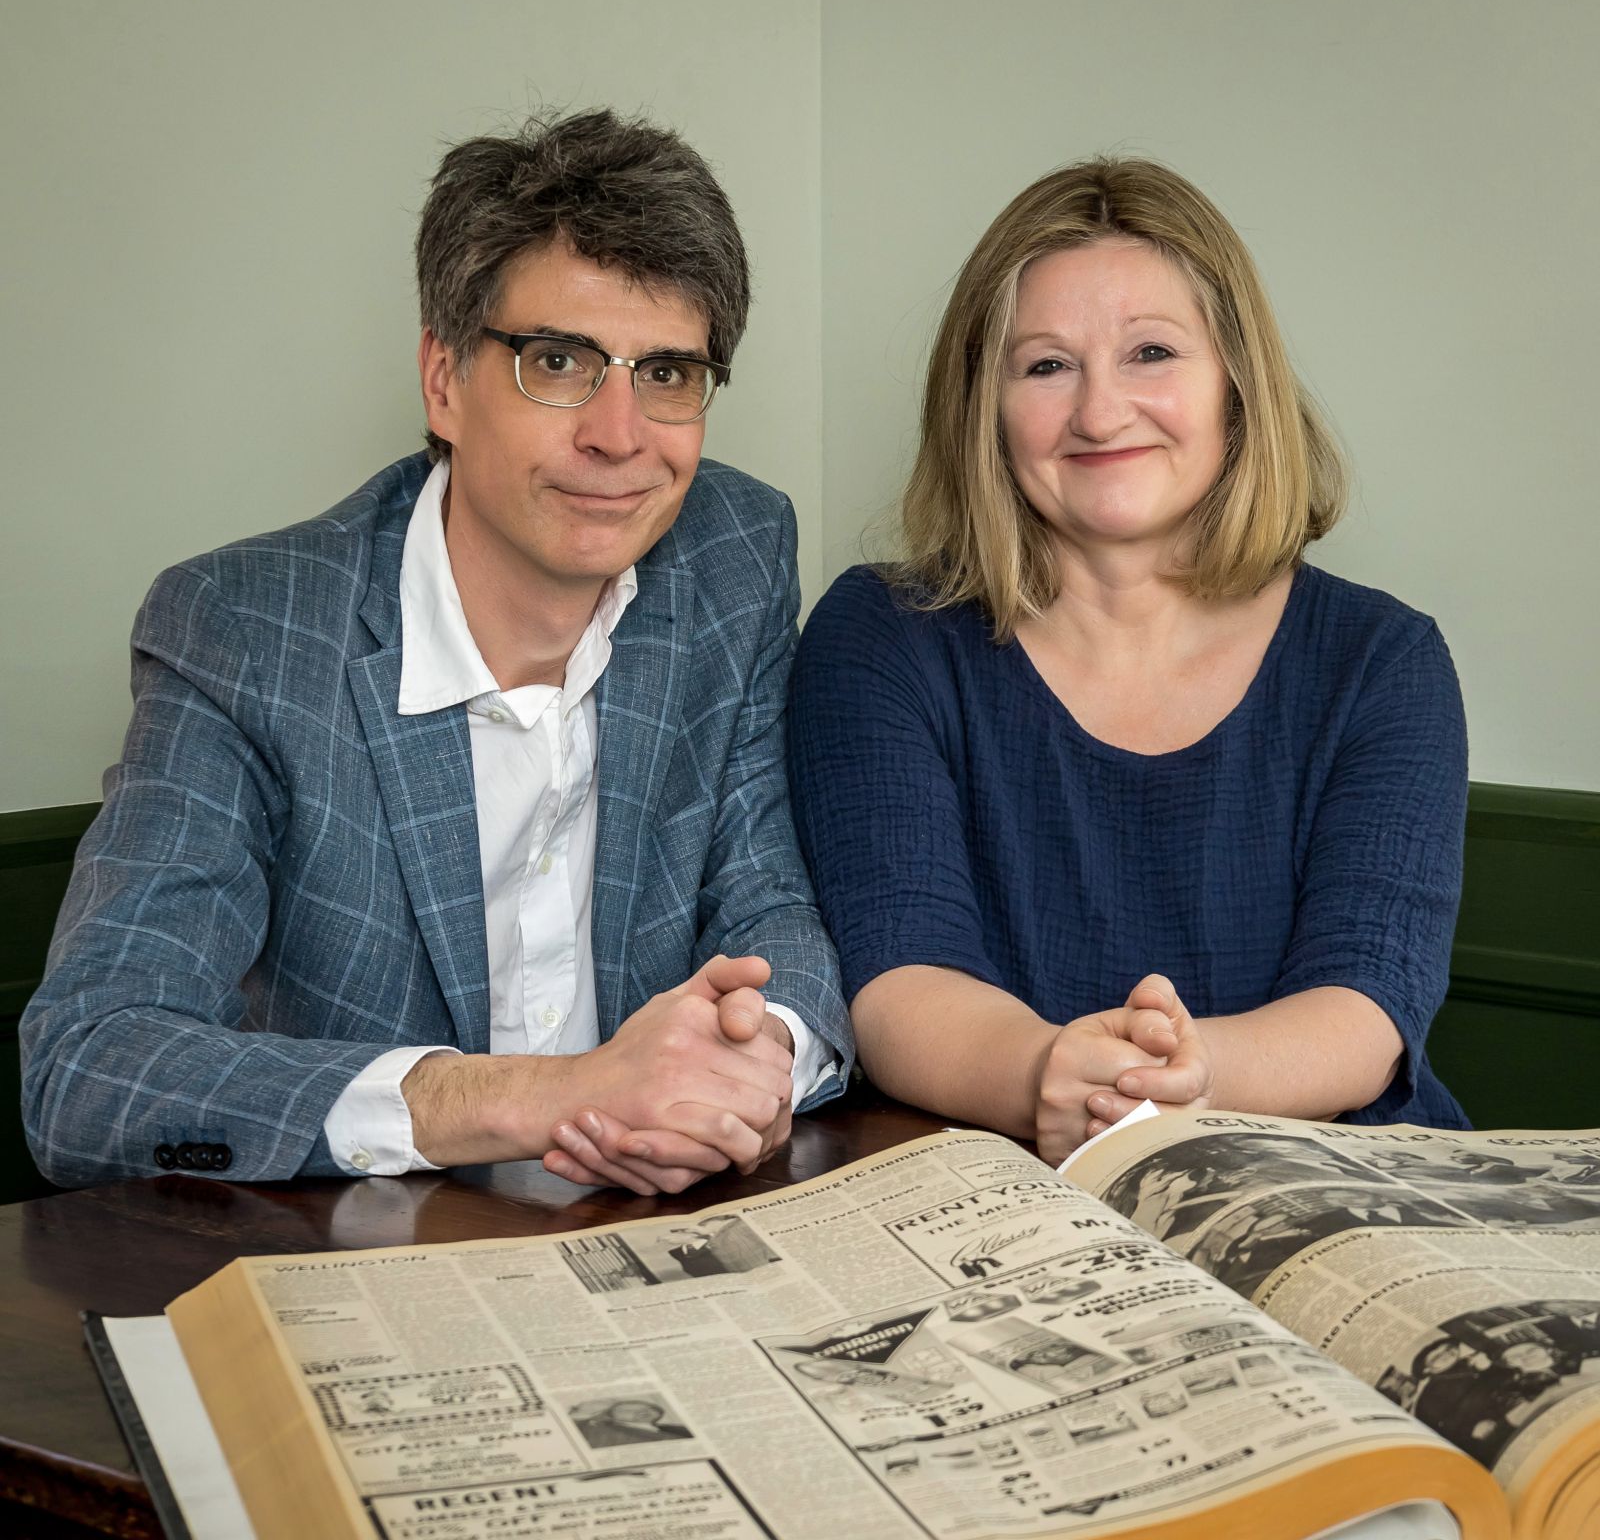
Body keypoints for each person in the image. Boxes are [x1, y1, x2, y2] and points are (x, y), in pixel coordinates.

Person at [23, 109, 850, 1192]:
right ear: (444, 379)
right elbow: (91, 1074)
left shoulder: (735, 557)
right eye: (558, 361)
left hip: (656, 1237)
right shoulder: (246, 630)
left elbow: (771, 903)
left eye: (667, 373)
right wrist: (545, 1092)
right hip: (372, 1264)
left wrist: (760, 1055)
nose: (618, 433)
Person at [788, 156, 1467, 1165]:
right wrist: (1043, 1074)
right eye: (1046, 365)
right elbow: (897, 976)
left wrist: (1182, 1082)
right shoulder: (881, 635)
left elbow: (1366, 1003)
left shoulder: (1381, 660)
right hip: (998, 1192)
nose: (1100, 413)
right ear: (984, 405)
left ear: (1236, 384)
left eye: (1151, 352)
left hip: (1328, 1175)